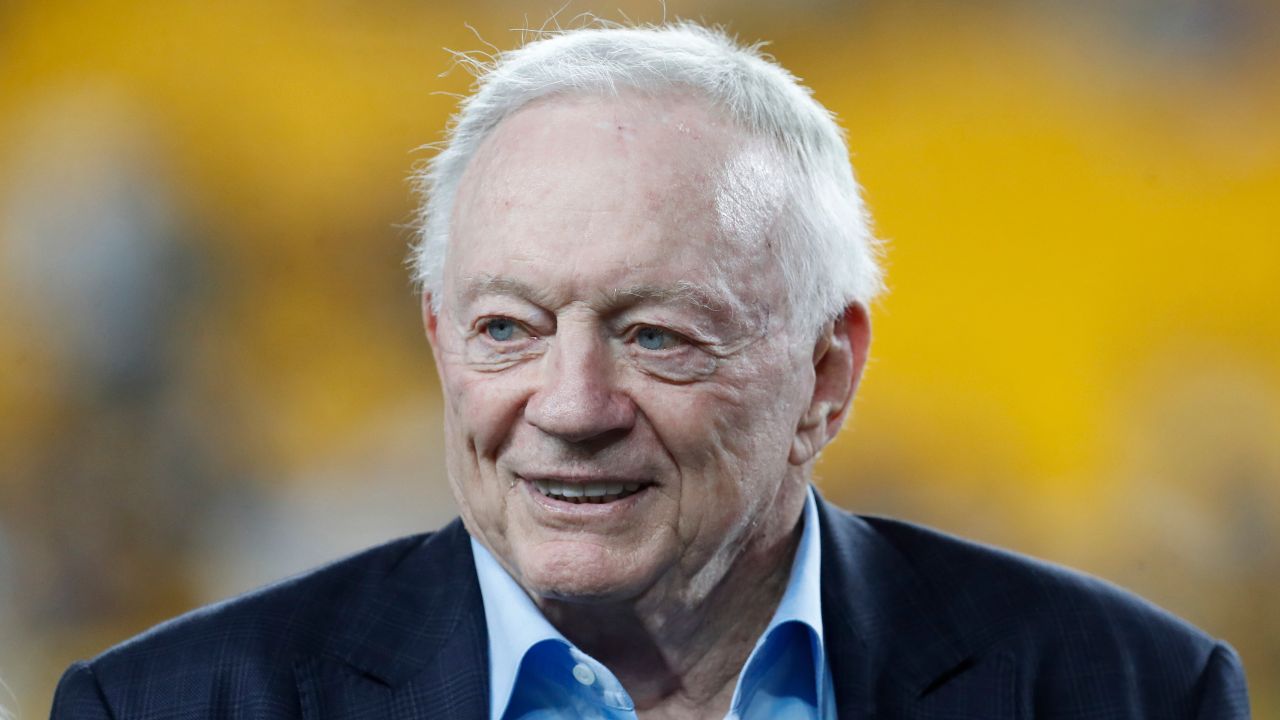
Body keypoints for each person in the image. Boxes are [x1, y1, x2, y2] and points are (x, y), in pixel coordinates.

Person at [52, 21, 1249, 719]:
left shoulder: (1130, 690)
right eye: (507, 330)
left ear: (827, 373)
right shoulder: (170, 706)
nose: (569, 410)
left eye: (656, 336)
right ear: (435, 342)